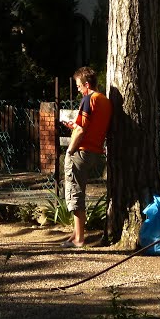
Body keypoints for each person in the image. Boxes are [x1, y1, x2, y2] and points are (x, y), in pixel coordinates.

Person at [62, 66, 112, 248]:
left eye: (78, 86)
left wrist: (70, 150)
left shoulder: (88, 99)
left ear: (86, 84)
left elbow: (81, 130)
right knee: (80, 191)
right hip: (95, 152)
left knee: (75, 193)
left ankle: (79, 239)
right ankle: (76, 233)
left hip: (80, 152)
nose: (78, 89)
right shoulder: (105, 101)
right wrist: (74, 127)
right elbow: (90, 126)